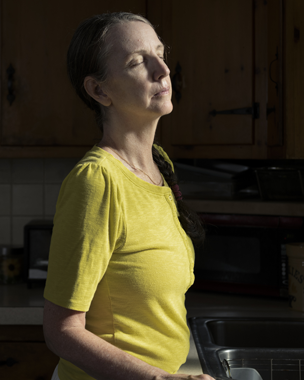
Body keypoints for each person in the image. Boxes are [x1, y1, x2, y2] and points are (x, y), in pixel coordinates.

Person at [42, 12, 214, 380]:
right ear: (99, 91)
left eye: (159, 53)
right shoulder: (97, 181)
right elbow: (61, 330)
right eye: (138, 62)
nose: (162, 70)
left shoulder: (158, 164)